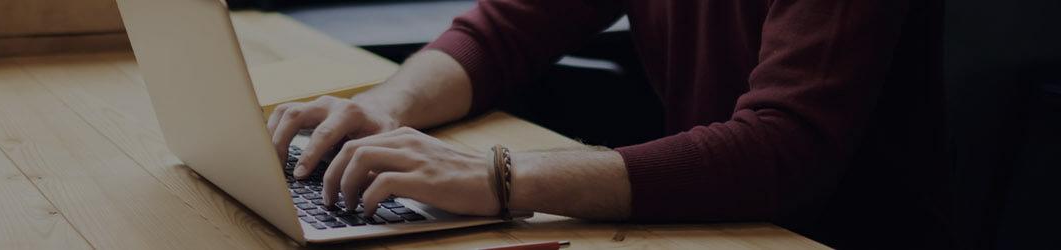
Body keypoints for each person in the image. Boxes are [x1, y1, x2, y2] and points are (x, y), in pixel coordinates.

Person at [267, 0, 947, 247]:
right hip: (699, 221)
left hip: (802, 233)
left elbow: (783, 148)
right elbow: (506, 29)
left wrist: (502, 177)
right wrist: (388, 105)